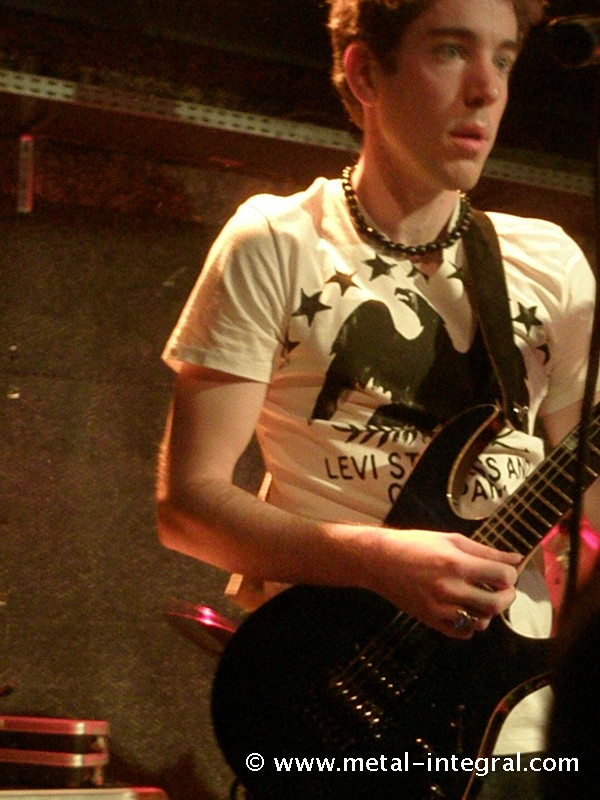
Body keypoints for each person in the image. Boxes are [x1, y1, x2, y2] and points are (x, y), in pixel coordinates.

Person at [156, 0, 600, 796]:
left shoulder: (553, 264)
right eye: (451, 51)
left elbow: (588, 502)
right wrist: (377, 561)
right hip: (339, 685)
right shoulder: (278, 241)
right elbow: (188, 507)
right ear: (365, 72)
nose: (487, 89)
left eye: (503, 59)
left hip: (512, 707)